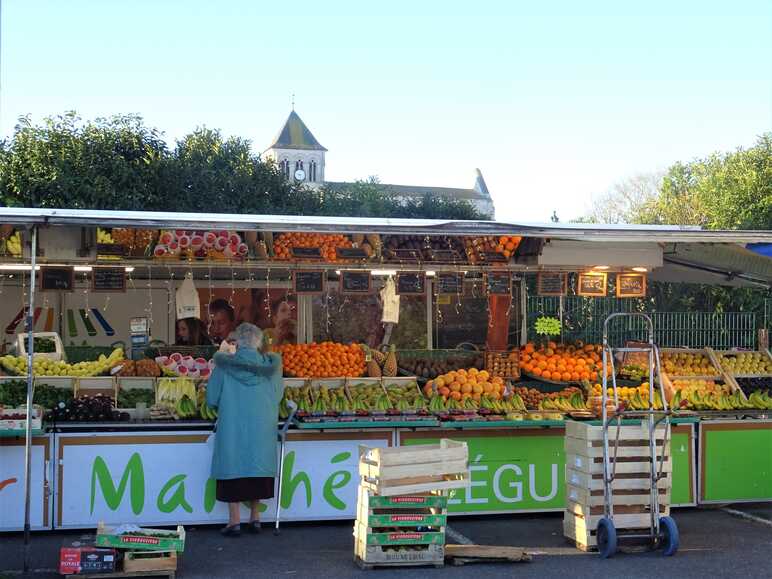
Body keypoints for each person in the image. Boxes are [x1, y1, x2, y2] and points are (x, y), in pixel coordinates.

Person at [205, 323, 282, 537]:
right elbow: (278, 396)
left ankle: (234, 521)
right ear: (259, 342)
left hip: (233, 427)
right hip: (262, 428)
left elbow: (212, 399)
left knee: (233, 467)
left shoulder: (225, 366)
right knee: (257, 467)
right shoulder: (271, 367)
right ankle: (255, 517)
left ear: (237, 342)